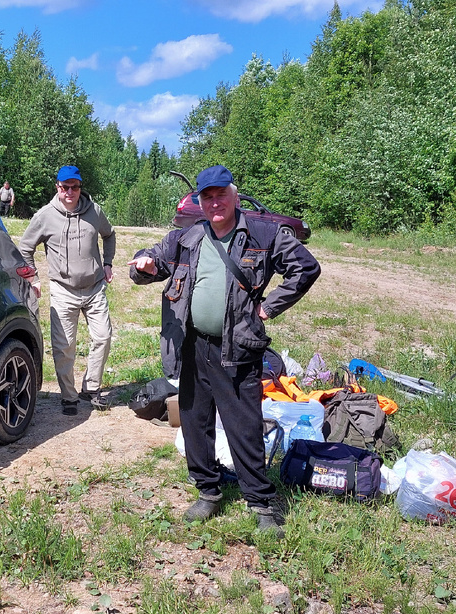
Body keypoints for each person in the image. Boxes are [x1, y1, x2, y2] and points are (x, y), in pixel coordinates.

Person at [128, 165, 320, 536]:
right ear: (199, 202)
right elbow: (148, 263)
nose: (215, 202)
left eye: (221, 195)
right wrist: (145, 264)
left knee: (243, 427)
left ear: (235, 195)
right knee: (195, 422)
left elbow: (305, 268)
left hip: (238, 346)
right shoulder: (186, 238)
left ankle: (261, 503)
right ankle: (208, 491)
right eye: (207, 197)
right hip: (191, 344)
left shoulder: (262, 233)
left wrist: (268, 307)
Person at [19, 166, 116, 416]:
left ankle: (91, 387)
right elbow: (25, 248)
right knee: (64, 347)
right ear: (57, 187)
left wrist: (107, 263)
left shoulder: (94, 211)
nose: (70, 192)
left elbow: (110, 234)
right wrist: (33, 277)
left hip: (94, 288)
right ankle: (69, 396)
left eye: (75, 187)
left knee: (103, 337)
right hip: (63, 290)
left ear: (80, 187)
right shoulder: (44, 216)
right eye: (65, 187)